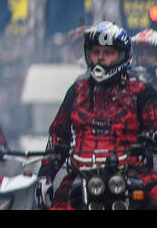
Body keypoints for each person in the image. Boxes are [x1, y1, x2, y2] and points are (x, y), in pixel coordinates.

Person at [36, 21, 157, 209]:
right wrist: (45, 175)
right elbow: (58, 137)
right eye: (95, 52)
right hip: (80, 175)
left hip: (133, 173)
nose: (100, 58)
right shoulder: (76, 91)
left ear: (122, 56)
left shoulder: (142, 92)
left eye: (108, 53)